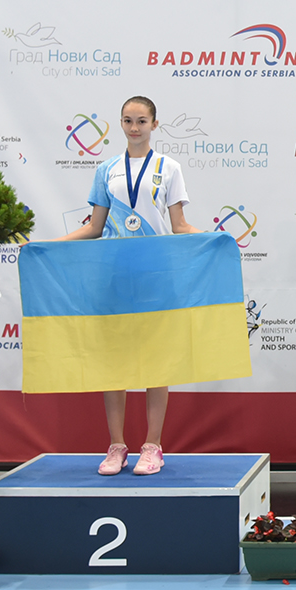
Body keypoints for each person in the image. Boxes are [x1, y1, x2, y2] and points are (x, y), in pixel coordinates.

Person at [58, 95, 199, 475]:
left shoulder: (169, 168)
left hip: (156, 275)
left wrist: (215, 240)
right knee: (114, 363)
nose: (134, 128)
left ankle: (152, 446)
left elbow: (180, 225)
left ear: (154, 124)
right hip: (114, 275)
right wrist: (50, 245)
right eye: (127, 121)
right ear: (120, 124)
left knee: (156, 362)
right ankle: (116, 446)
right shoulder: (106, 169)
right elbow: (95, 227)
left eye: (141, 121)